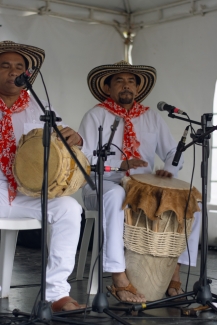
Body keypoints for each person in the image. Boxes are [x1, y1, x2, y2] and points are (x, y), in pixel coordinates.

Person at [78, 61, 201, 303]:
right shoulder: (96, 115)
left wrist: (168, 171)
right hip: (102, 185)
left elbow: (173, 153)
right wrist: (119, 166)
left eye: (131, 81)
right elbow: (84, 159)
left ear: (138, 88)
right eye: (119, 81)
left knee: (192, 202)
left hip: (142, 189)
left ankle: (175, 268)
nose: (126, 85)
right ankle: (118, 275)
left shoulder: (151, 117)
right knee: (115, 195)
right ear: (107, 88)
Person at [0, 41, 85, 312]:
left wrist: (75, 138)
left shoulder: (39, 105)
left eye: (19, 67)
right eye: (5, 65)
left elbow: (60, 143)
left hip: (27, 193)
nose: (13, 71)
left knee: (70, 209)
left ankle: (56, 294)